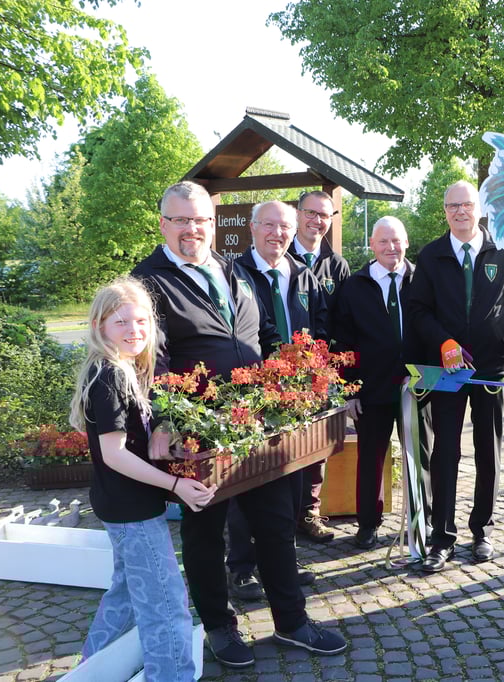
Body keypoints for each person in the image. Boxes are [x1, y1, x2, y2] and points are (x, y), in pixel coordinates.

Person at [132, 181, 347, 669]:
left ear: (213, 222)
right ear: (163, 223)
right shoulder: (148, 282)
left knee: (275, 524)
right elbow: (151, 361)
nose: (193, 229)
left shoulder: (232, 269)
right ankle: (219, 628)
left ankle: (291, 622)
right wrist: (170, 421)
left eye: (202, 219)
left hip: (259, 424)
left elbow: (262, 332)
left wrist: (297, 373)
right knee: (206, 533)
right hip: (200, 435)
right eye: (182, 220)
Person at [70, 277, 216, 682]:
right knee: (166, 604)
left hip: (121, 504)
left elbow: (132, 445)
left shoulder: (122, 369)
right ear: (100, 326)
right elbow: (113, 455)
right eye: (122, 323)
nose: (135, 331)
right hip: (130, 508)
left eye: (141, 322)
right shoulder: (112, 375)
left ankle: (89, 670)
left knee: (127, 594)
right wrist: (175, 486)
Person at [407, 180, 504, 573]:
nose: (459, 211)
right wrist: (443, 341)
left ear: (480, 209)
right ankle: (442, 537)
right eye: (451, 206)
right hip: (448, 372)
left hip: (492, 369)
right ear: (445, 212)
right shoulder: (431, 256)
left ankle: (483, 529)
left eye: (466, 205)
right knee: (445, 452)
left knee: (487, 452)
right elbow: (418, 310)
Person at [225, 200, 330, 599]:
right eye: (269, 225)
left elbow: (320, 326)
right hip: (251, 392)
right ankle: (241, 567)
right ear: (252, 228)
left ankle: (283, 558)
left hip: (298, 397)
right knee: (244, 480)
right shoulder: (233, 273)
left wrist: (315, 374)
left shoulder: (302, 274)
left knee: (291, 478)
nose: (278, 233)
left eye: (284, 226)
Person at [333, 216, 432, 549]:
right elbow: (343, 341)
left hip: (416, 387)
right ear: (372, 245)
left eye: (397, 241)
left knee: (419, 456)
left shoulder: (421, 280)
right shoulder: (355, 286)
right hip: (370, 389)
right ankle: (368, 525)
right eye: (384, 242)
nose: (392, 248)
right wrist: (349, 390)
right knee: (370, 458)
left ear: (406, 242)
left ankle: (422, 521)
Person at [288, 189, 350, 543]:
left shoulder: (336, 265)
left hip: (322, 372)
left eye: (324, 215)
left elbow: (343, 319)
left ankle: (308, 514)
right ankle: (282, 515)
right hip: (284, 370)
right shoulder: (282, 255)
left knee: (316, 446)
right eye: (311, 213)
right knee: (281, 443)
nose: (317, 221)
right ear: (298, 214)